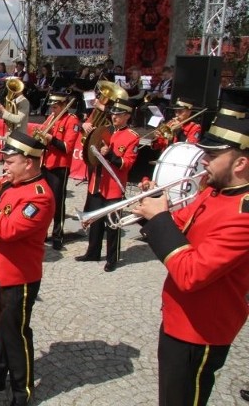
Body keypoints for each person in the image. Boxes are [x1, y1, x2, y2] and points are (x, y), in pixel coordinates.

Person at [132, 114, 249, 406]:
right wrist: (150, 210)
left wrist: (159, 219)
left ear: (240, 163)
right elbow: (179, 225)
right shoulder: (213, 191)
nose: (203, 160)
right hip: (178, 318)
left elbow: (190, 274)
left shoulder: (243, 216)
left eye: (211, 154)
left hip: (201, 328)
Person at [0, 130, 54, 406]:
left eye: (10, 161)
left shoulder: (40, 196)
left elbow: (6, 229)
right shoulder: (7, 184)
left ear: (29, 162)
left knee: (15, 335)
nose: (4, 166)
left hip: (18, 277)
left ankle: (22, 392)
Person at [76, 98, 139, 272]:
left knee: (112, 225)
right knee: (94, 220)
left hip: (113, 187)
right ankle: (93, 252)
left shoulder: (132, 137)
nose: (114, 117)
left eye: (119, 114)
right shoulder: (104, 130)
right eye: (113, 114)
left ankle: (112, 258)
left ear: (127, 116)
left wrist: (110, 155)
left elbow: (126, 164)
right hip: (97, 183)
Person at [36, 91, 81, 250]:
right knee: (42, 201)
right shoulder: (51, 118)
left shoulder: (72, 120)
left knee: (57, 202)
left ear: (63, 106)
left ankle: (57, 235)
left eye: (55, 107)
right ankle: (41, 233)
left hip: (60, 166)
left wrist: (51, 139)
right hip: (46, 163)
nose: (52, 110)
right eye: (51, 107)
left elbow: (67, 147)